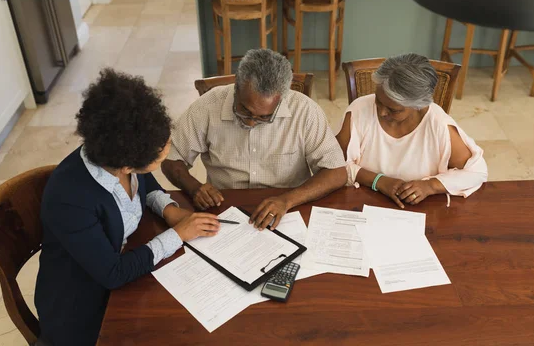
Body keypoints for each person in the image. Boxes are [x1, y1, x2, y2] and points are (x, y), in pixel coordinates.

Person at [35, 69, 220, 346]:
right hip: (83, 307)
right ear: (125, 166)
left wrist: (169, 209)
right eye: (159, 159)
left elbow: (144, 182)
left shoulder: (116, 153)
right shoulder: (70, 200)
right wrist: (178, 235)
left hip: (123, 271)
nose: (165, 157)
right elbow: (113, 274)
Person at [162, 49, 346, 230]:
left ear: (282, 98)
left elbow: (336, 172)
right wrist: (193, 187)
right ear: (236, 87)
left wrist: (287, 200)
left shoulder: (305, 111)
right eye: (244, 111)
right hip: (224, 209)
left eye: (265, 117)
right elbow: (171, 158)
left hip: (289, 209)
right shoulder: (208, 107)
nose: (251, 122)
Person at [336, 53, 488, 208]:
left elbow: (477, 172)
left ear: (418, 105)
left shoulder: (438, 125)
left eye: (393, 110)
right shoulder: (359, 111)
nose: (381, 113)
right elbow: (335, 166)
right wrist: (378, 180)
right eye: (378, 101)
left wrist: (430, 186)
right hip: (363, 203)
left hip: (420, 209)